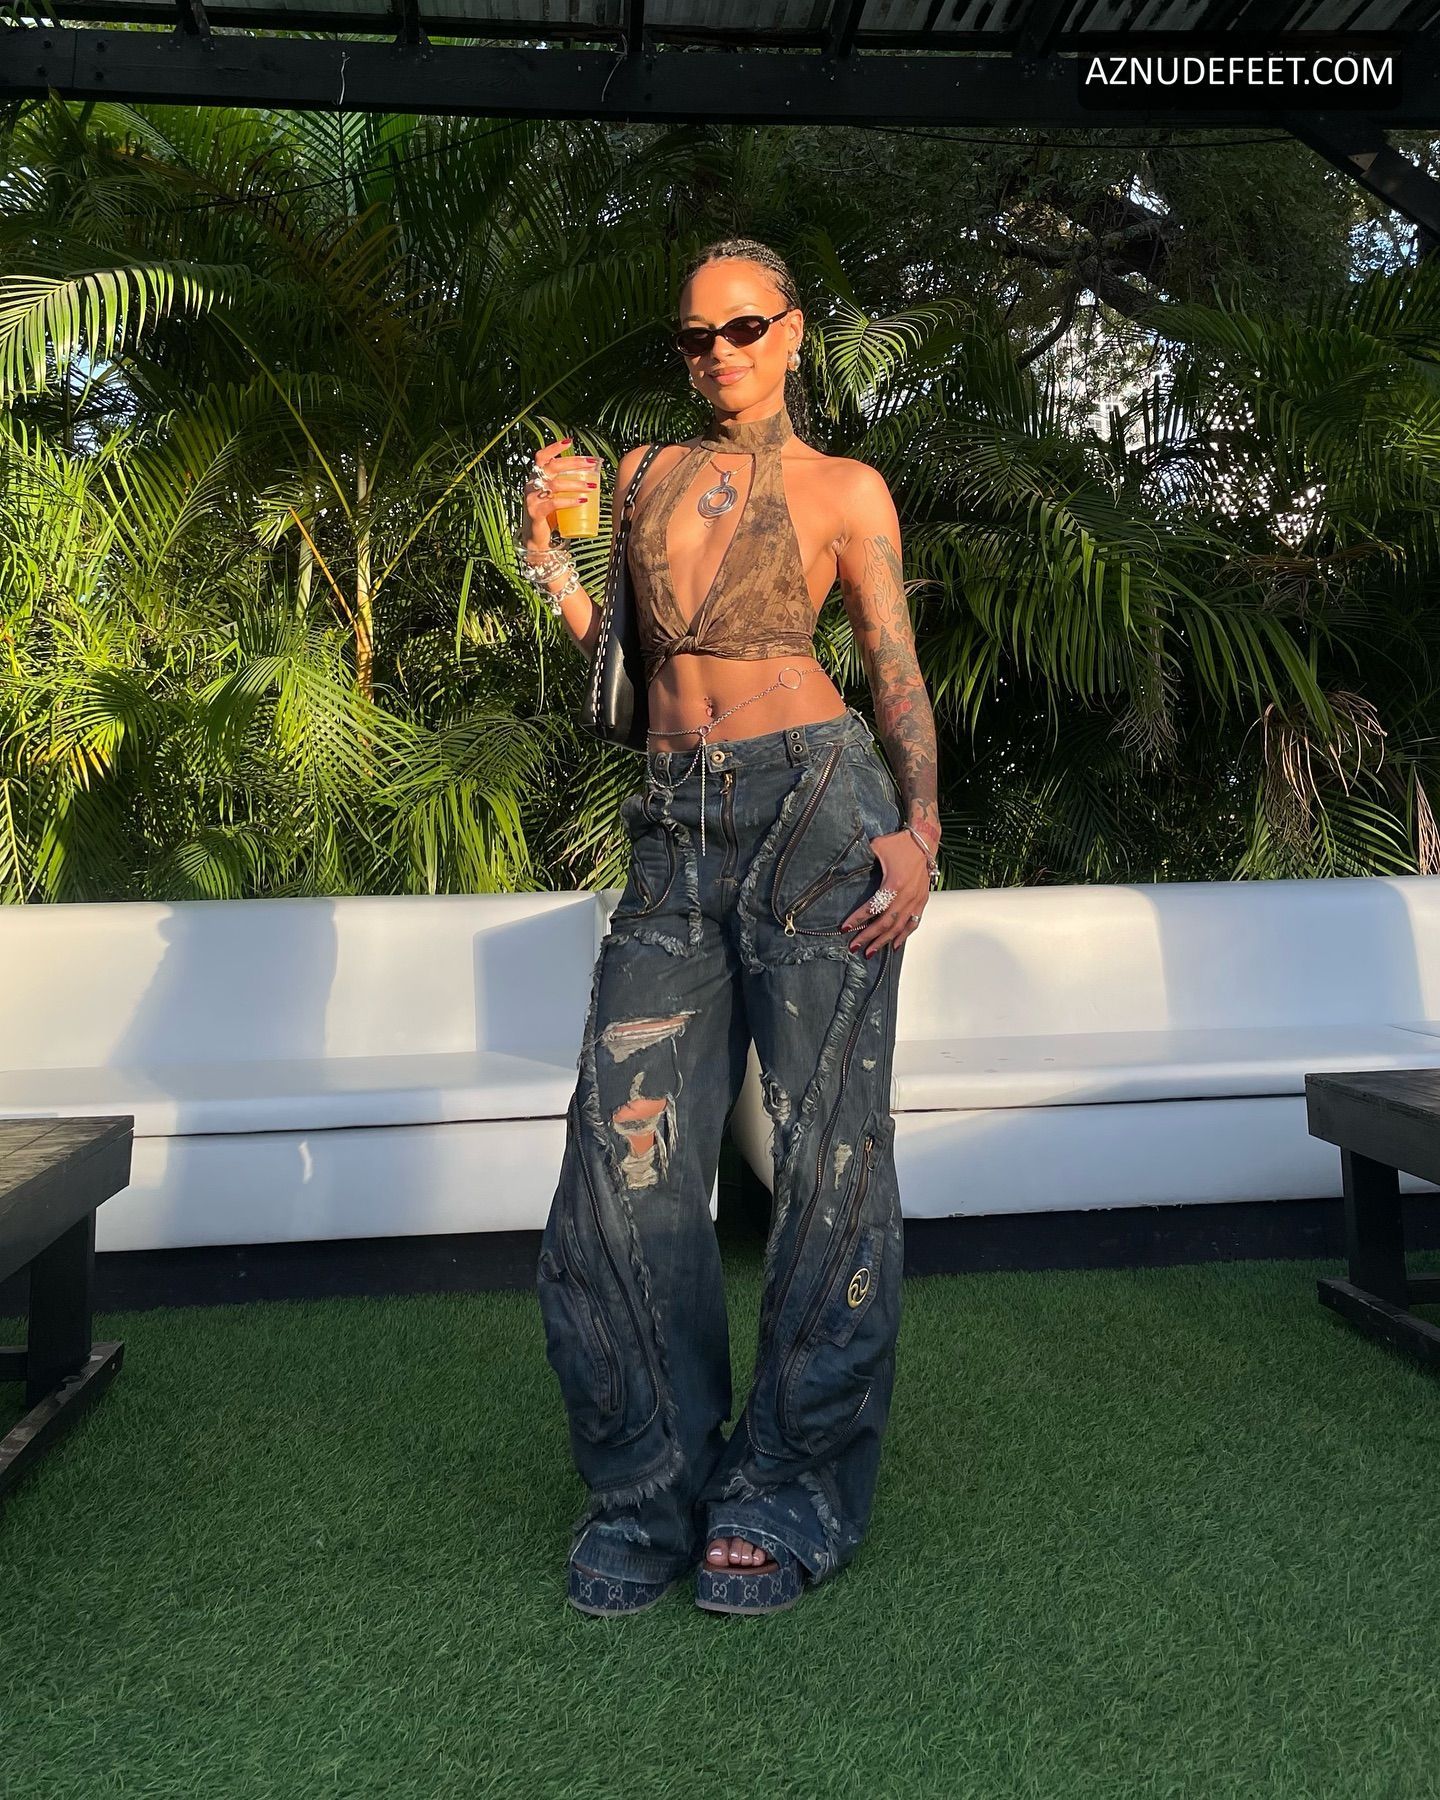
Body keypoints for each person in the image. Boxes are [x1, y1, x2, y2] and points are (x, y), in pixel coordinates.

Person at [519, 237, 942, 1617]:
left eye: (743, 328)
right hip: (671, 826)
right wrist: (548, 557)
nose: (719, 355)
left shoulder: (845, 488)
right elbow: (624, 669)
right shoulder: (644, 474)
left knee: (830, 1159)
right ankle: (649, 1486)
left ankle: (789, 1487)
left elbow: (891, 666)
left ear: (794, 332)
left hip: (817, 809)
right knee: (620, 1160)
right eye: (696, 336)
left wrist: (922, 830)